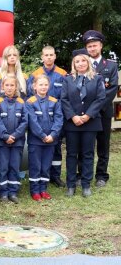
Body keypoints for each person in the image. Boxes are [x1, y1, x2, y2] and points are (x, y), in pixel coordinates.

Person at [61, 49, 105, 197]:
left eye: (83, 61)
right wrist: (73, 116)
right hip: (72, 123)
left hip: (90, 122)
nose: (80, 64)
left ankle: (86, 184)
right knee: (72, 154)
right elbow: (64, 99)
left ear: (88, 62)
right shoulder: (68, 79)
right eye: (77, 61)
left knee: (88, 154)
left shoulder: (97, 78)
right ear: (74, 63)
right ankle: (71, 185)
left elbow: (100, 98)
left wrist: (87, 115)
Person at [27, 46, 67, 188]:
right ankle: (40, 177)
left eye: (51, 55)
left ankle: (55, 176)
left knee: (55, 148)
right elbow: (30, 95)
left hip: (56, 117)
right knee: (40, 152)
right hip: (38, 118)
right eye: (46, 55)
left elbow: (65, 96)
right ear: (42, 57)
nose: (49, 57)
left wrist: (58, 118)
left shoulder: (62, 74)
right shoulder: (35, 74)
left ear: (55, 56)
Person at [82, 30, 119, 188]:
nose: (92, 48)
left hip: (102, 112)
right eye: (89, 46)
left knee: (103, 145)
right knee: (84, 145)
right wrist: (88, 111)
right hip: (85, 113)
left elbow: (111, 90)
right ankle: (82, 174)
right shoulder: (81, 64)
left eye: (94, 45)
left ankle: (102, 175)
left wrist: (94, 109)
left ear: (101, 46)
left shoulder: (110, 66)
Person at [26, 75, 63, 201]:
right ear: (34, 86)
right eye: (40, 85)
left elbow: (59, 120)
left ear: (49, 86)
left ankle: (43, 189)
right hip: (36, 141)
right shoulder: (30, 102)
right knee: (35, 165)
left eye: (45, 85)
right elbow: (32, 122)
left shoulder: (54, 101)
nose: (43, 87)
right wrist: (42, 135)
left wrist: (52, 135)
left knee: (46, 166)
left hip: (51, 141)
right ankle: (35, 190)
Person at [0, 76, 28, 204]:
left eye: (12, 85)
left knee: (14, 166)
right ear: (2, 86)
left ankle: (13, 192)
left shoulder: (22, 103)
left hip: (17, 142)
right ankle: (3, 192)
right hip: (2, 142)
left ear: (16, 87)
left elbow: (25, 121)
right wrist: (5, 136)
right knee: (3, 167)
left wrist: (15, 135)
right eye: (7, 85)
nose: (9, 88)